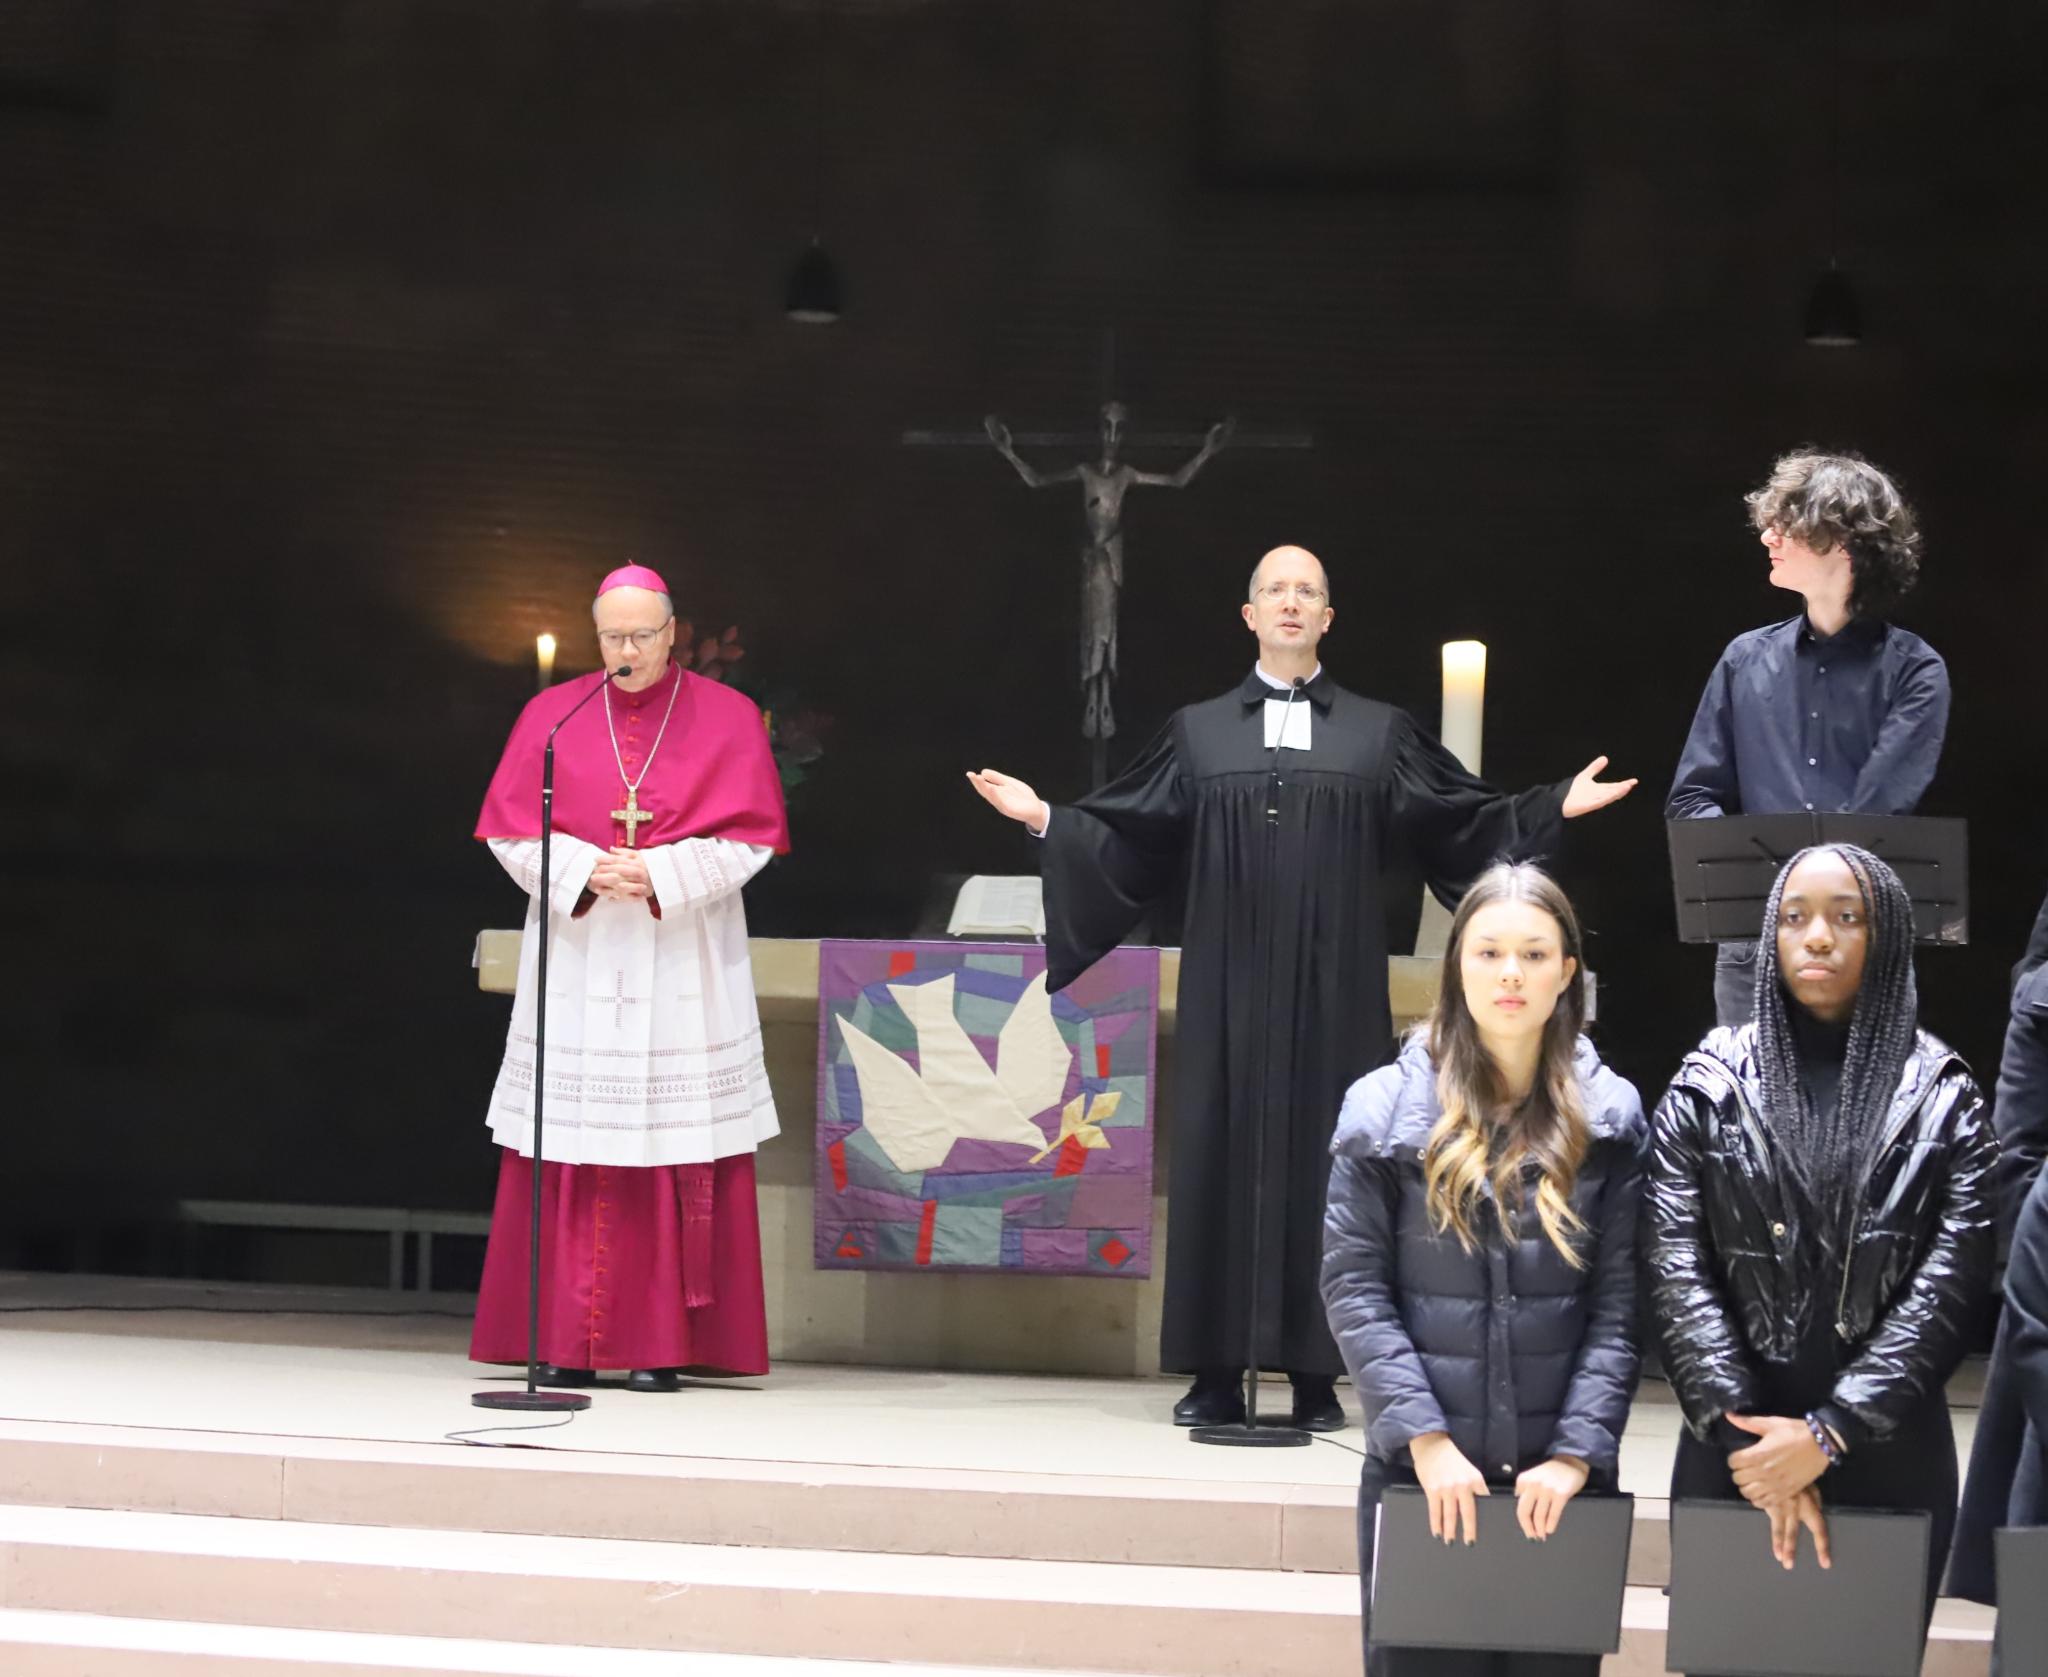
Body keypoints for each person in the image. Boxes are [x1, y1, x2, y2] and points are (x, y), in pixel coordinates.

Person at [968, 545, 1636, 1429]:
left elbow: (1458, 820)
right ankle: (1213, 1369)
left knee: (1333, 1164)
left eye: (1308, 592)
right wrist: (1047, 817)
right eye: (1275, 591)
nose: (1291, 603)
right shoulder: (1199, 732)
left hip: (1333, 986)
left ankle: (1320, 1369)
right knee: (1218, 1153)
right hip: (1227, 987)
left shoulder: (1377, 731)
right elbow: (1131, 836)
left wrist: (1551, 807)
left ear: (1329, 618)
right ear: (1249, 615)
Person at [1643, 844, 1995, 1664]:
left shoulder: (1946, 1094)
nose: (1818, 937)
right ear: (1770, 935)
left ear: (1890, 935)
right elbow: (1671, 1265)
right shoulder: (1707, 1080)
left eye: (1847, 916)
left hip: (1887, 1445)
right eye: (1795, 917)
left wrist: (1831, 1432)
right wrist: (1754, 1449)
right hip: (1734, 1446)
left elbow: (1952, 1282)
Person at [470, 563, 789, 1391]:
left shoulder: (726, 717)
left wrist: (662, 876)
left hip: (679, 956)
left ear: (673, 631)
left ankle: (660, 1344)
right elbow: (508, 830)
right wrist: (580, 866)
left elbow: (753, 837)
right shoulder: (554, 714)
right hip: (579, 958)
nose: (627, 651)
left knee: (668, 1142)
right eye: (612, 636)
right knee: (567, 1142)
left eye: (642, 635)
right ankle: (556, 1338)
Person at [1322, 864, 1644, 1677]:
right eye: (1489, 951)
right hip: (1425, 1478)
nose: (1510, 973)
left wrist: (1576, 1453)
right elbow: (1354, 1287)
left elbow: (1623, 1305)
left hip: (1560, 1484)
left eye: (1534, 954)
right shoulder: (1381, 1107)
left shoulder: (1611, 1115)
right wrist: (1425, 1440)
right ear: (1456, 965)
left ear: (1568, 971)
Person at [1666, 452, 1948, 1027]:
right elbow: (1692, 799)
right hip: (1753, 947)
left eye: (1788, 523)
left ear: (1843, 540)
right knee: (1748, 1114)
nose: (1768, 534)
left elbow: (1875, 819)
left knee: (1867, 1114)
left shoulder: (1916, 672)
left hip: (1862, 946)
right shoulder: (1743, 660)